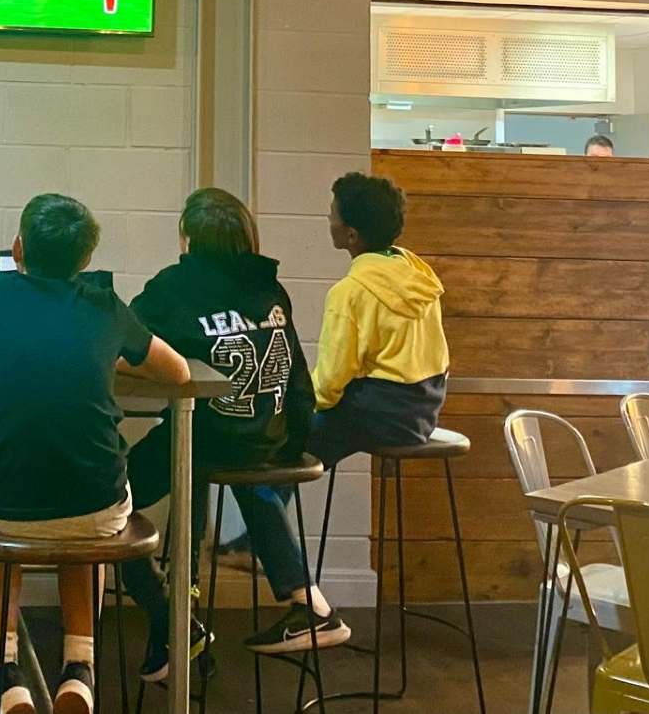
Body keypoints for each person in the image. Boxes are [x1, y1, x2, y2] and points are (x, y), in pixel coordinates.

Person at [0, 194, 190, 714]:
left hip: (6, 511)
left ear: (18, 247)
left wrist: (0, 348)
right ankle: (80, 668)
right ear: (87, 261)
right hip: (95, 508)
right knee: (81, 514)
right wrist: (107, 358)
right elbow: (178, 372)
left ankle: (3, 672)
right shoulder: (105, 307)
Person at [119, 189, 349, 679]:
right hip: (269, 440)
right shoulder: (271, 288)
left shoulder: (175, 286)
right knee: (236, 470)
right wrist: (292, 438)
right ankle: (302, 598)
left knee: (104, 503)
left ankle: (172, 621)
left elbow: (127, 336)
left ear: (189, 239)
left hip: (208, 438)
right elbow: (299, 376)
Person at [309, 173, 450, 468]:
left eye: (333, 214)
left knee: (284, 446)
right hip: (424, 411)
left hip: (379, 418)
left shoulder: (350, 292)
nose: (328, 218)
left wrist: (295, 404)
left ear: (351, 235)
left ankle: (271, 515)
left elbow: (329, 384)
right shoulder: (417, 274)